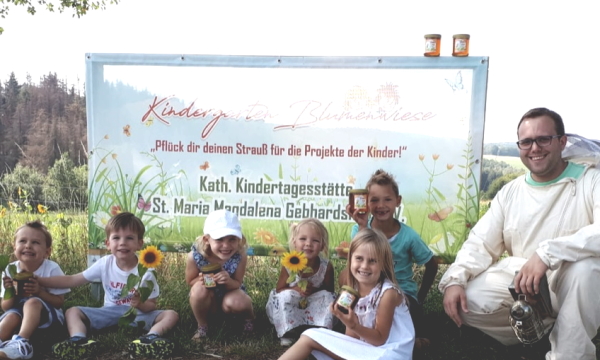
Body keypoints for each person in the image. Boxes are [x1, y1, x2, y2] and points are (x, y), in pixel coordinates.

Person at [439, 107, 600, 360]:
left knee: (586, 269)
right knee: (468, 299)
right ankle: (539, 327)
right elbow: (481, 242)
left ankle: (569, 351)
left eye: (543, 139)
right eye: (526, 142)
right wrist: (455, 279)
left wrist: (546, 254)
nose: (534, 148)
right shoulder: (511, 192)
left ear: (562, 141)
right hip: (523, 284)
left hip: (576, 285)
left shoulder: (591, 180)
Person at [37, 212, 179, 360]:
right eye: (116, 238)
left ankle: (149, 339)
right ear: (108, 243)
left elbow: (152, 305)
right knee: (72, 311)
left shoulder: (147, 271)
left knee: (171, 315)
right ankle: (79, 340)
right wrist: (39, 281)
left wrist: (140, 304)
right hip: (109, 312)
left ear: (139, 243)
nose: (122, 242)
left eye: (129, 238)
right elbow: (73, 280)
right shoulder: (105, 263)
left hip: (136, 314)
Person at [279, 228, 415, 360]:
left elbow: (379, 339)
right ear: (351, 259)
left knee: (310, 337)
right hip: (367, 350)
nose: (364, 266)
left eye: (372, 261)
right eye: (359, 258)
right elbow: (351, 341)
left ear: (383, 264)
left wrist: (354, 325)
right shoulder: (351, 291)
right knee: (310, 335)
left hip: (388, 353)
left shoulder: (388, 293)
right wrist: (345, 320)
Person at [341, 169, 438, 348]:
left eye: (387, 199)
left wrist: (419, 297)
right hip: (369, 292)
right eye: (374, 200)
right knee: (343, 284)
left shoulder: (409, 236)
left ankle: (411, 334)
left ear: (398, 201)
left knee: (407, 310)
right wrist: (363, 226)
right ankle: (360, 329)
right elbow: (354, 266)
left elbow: (431, 265)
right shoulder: (358, 229)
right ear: (366, 203)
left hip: (401, 294)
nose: (381, 205)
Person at [0, 221, 69, 360]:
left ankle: (22, 342)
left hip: (48, 318)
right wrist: (9, 290)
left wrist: (39, 292)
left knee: (32, 303)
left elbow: (59, 303)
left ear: (47, 251)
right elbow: (5, 307)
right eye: (22, 241)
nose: (28, 246)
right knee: (11, 316)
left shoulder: (52, 269)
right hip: (18, 314)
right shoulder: (10, 269)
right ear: (15, 247)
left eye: (36, 242)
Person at [185, 209, 255, 340]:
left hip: (230, 295)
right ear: (207, 239)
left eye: (232, 239)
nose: (226, 245)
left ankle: (249, 319)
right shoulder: (194, 257)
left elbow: (238, 283)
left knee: (237, 301)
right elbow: (190, 281)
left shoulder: (240, 256)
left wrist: (228, 281)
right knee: (198, 290)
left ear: (239, 239)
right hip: (208, 298)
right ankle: (203, 326)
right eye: (219, 239)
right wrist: (202, 279)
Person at [266, 218, 336, 346]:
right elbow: (279, 289)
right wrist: (295, 289)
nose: (308, 244)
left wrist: (313, 290)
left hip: (312, 300)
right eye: (303, 239)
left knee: (328, 298)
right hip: (293, 300)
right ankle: (289, 331)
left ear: (322, 245)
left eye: (315, 240)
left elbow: (329, 291)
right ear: (294, 242)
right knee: (284, 297)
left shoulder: (326, 266)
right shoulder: (289, 264)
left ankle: (321, 330)